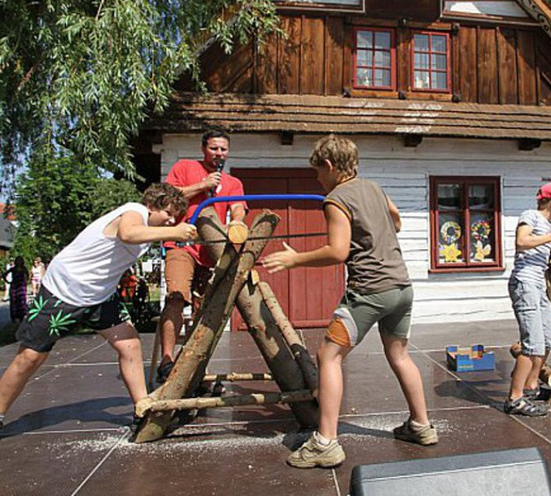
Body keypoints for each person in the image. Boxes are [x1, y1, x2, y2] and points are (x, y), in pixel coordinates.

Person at [263, 134, 437, 468]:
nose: (317, 179)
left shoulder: (336, 198)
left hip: (369, 292)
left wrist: (295, 259)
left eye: (317, 171)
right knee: (400, 355)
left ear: (329, 165)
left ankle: (325, 442)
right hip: (401, 288)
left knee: (328, 355)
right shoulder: (374, 188)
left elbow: (338, 251)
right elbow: (396, 220)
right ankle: (421, 425)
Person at [0, 184, 196, 432]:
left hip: (100, 296)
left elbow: (173, 199)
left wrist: (201, 191)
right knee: (30, 357)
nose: (171, 220)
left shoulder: (148, 226)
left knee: (130, 344)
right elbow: (128, 234)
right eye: (168, 213)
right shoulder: (134, 211)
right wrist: (175, 232)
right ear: (151, 205)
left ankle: (143, 409)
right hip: (64, 290)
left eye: (175, 217)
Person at [158, 129, 247, 383]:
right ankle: (167, 360)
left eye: (223, 149)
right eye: (214, 148)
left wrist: (236, 222)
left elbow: (238, 207)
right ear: (203, 149)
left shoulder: (232, 182)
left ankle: (192, 365)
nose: (219, 153)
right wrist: (202, 185)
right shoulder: (184, 167)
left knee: (206, 309)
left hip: (211, 250)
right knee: (177, 297)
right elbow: (167, 200)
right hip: (182, 244)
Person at [505, 183, 551, 417]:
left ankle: (531, 386)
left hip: (538, 285)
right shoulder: (531, 216)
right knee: (533, 344)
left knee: (549, 340)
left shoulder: (550, 226)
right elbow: (521, 241)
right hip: (525, 283)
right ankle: (515, 399)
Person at [4, 257, 28, 323]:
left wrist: (25, 282)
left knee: (22, 301)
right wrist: (8, 282)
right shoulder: (13, 269)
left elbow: (28, 276)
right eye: (18, 261)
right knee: (14, 301)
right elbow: (4, 275)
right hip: (14, 287)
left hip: (21, 287)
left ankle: (21, 316)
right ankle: (14, 317)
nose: (19, 262)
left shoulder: (24, 269)